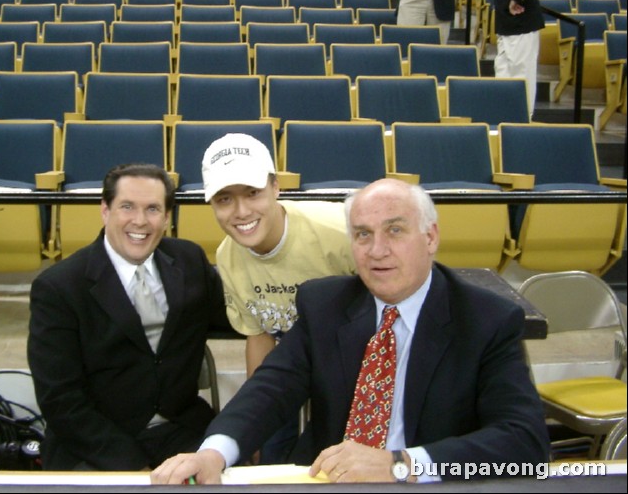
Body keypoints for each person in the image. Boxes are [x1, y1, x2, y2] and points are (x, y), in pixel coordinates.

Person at [152, 178, 550, 484]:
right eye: (362, 234)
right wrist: (215, 452)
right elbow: (271, 386)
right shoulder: (325, 304)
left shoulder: (486, 320)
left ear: (430, 237)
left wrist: (401, 464)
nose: (377, 250)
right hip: (329, 482)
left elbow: (526, 444)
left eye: (395, 230)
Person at [27, 163, 232, 471]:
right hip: (97, 440)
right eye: (127, 207)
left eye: (152, 209)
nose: (140, 221)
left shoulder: (189, 261)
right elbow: (60, 399)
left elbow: (235, 317)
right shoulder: (59, 287)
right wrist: (132, 466)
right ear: (105, 210)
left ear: (166, 217)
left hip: (182, 430)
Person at [202, 133, 356, 463]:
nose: (241, 211)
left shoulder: (341, 233)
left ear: (276, 187)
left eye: (253, 193)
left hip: (354, 362)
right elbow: (258, 336)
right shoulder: (228, 256)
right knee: (269, 457)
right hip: (289, 364)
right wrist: (254, 430)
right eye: (224, 199)